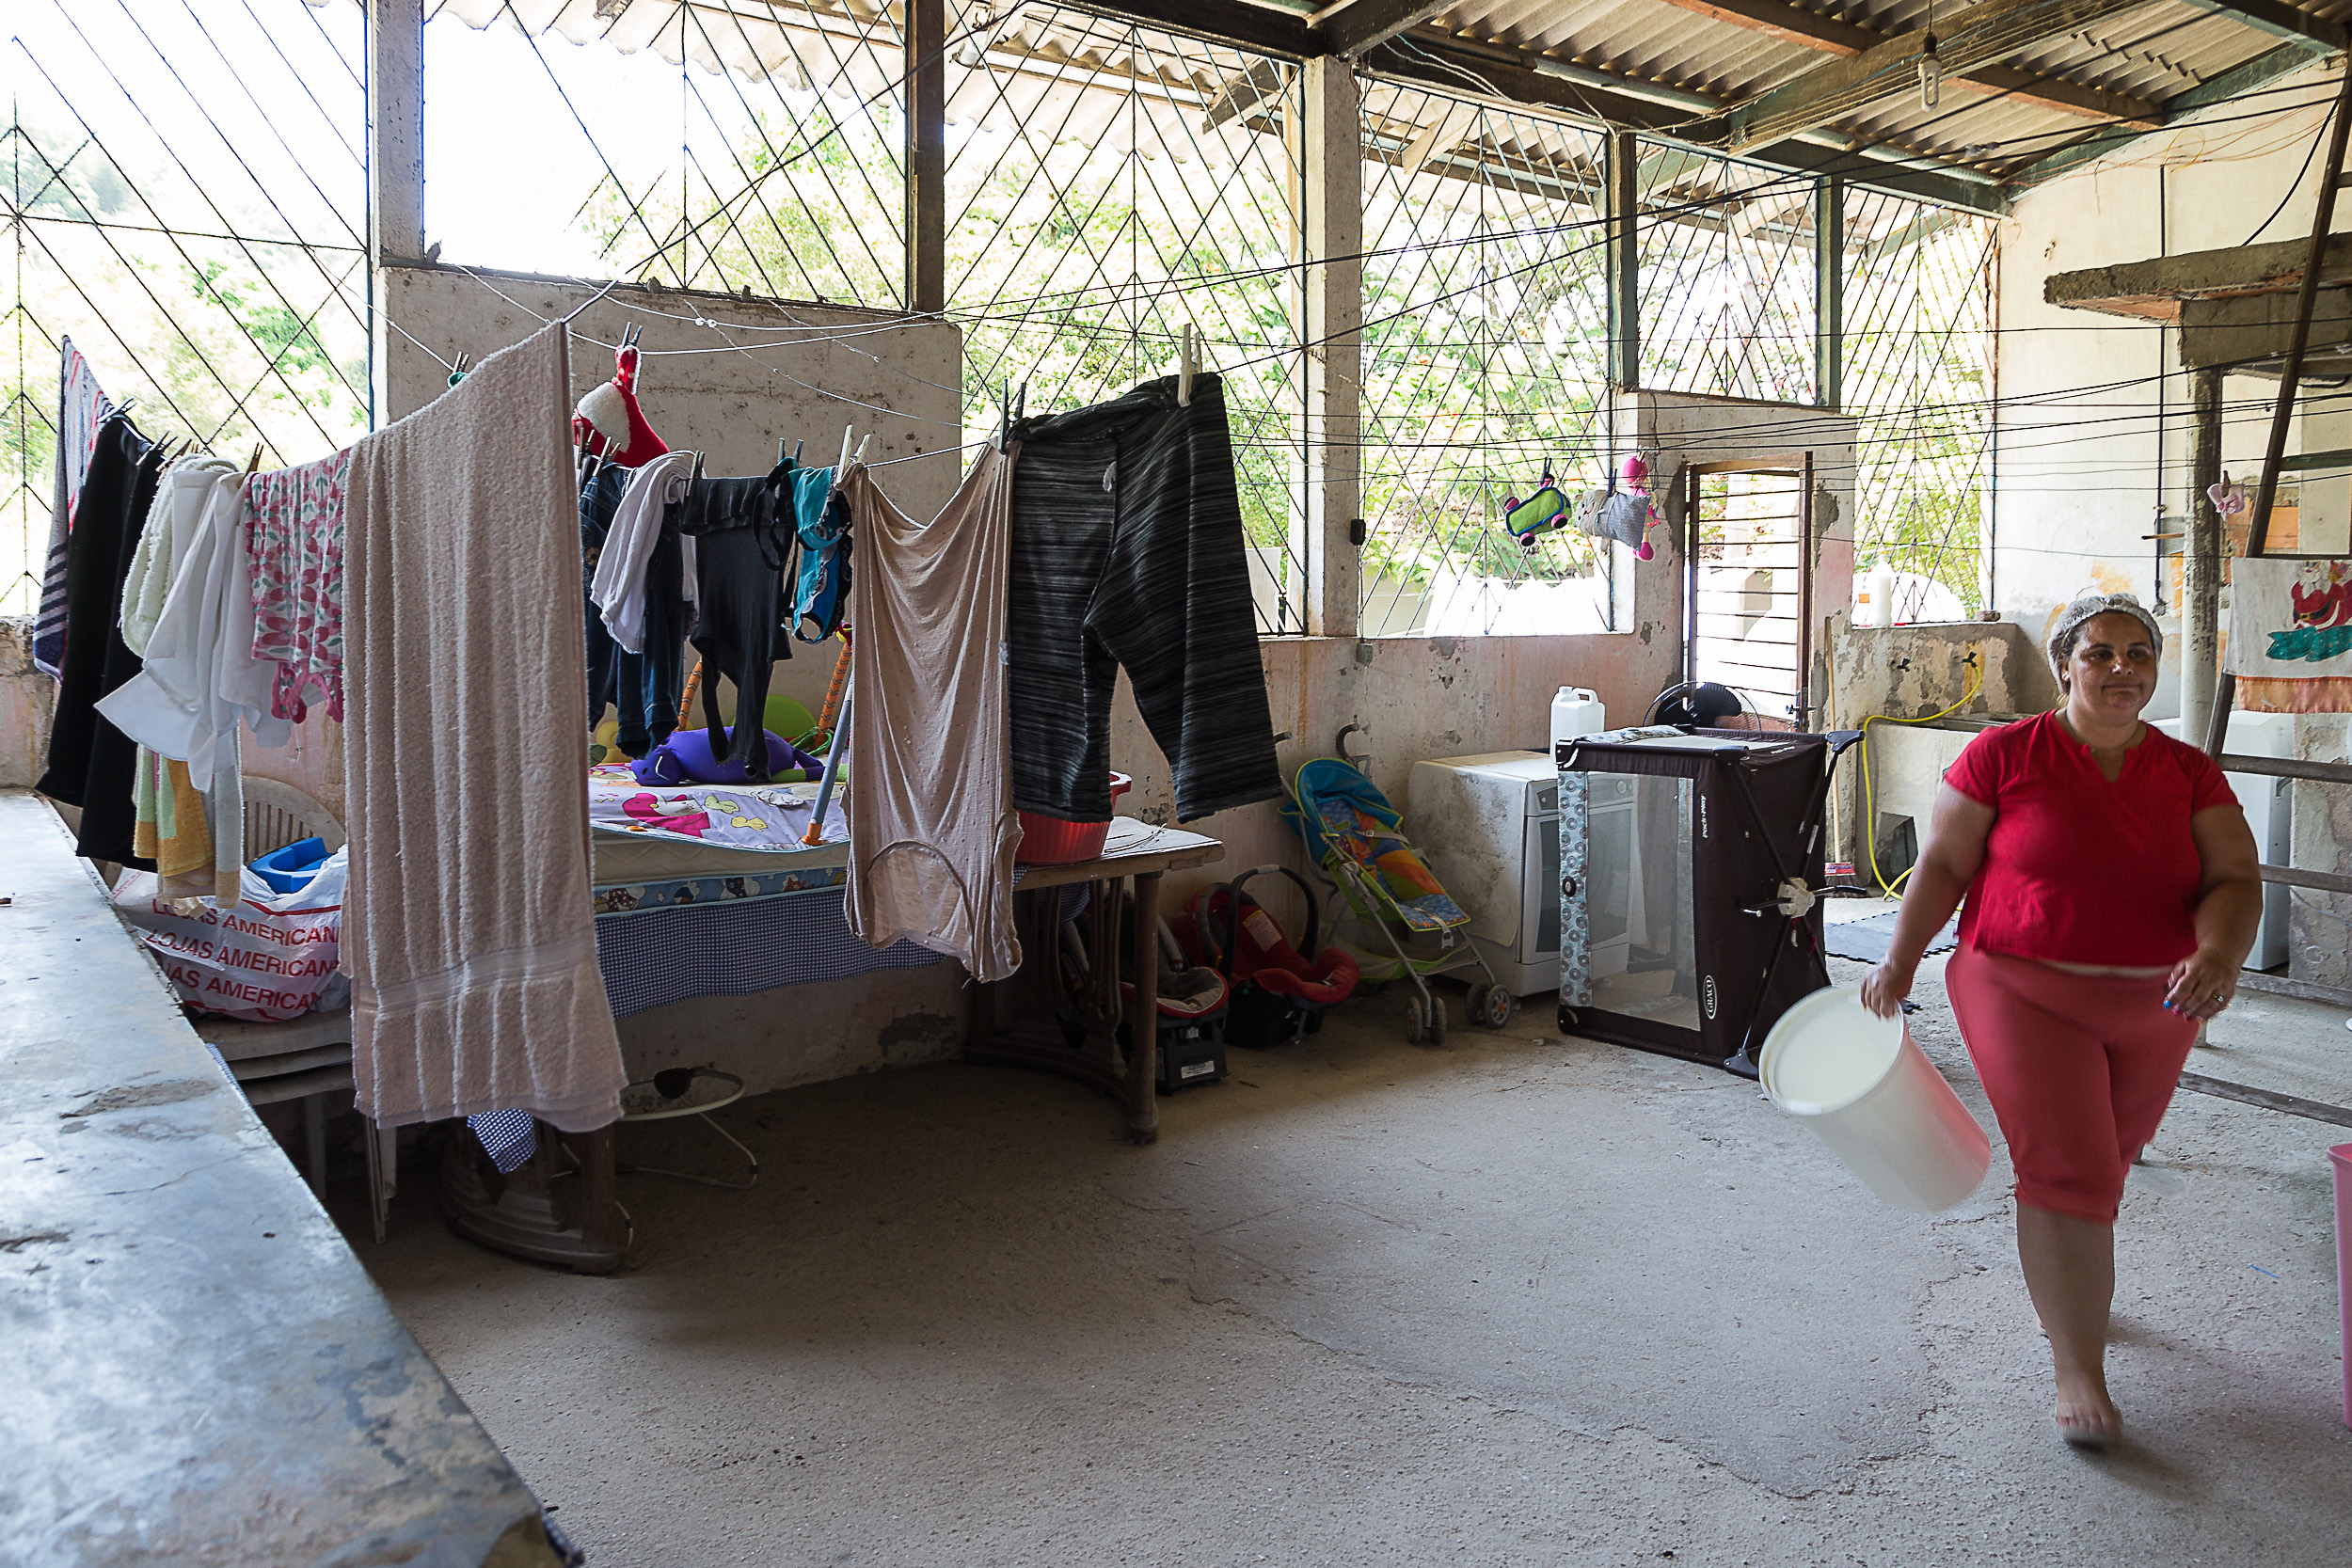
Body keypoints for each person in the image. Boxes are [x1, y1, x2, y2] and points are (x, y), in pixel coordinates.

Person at [1859, 592, 2261, 1452]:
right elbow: (1943, 863)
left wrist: (2220, 953)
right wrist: (1899, 960)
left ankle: (2069, 1289)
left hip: (2159, 1003)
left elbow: (2233, 877)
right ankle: (2079, 1369)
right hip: (2020, 987)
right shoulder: (2004, 755)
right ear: (2065, 666)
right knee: (2069, 1171)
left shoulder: (2189, 771)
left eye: (2138, 654)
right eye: (2100, 652)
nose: (2122, 668)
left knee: (2105, 1163)